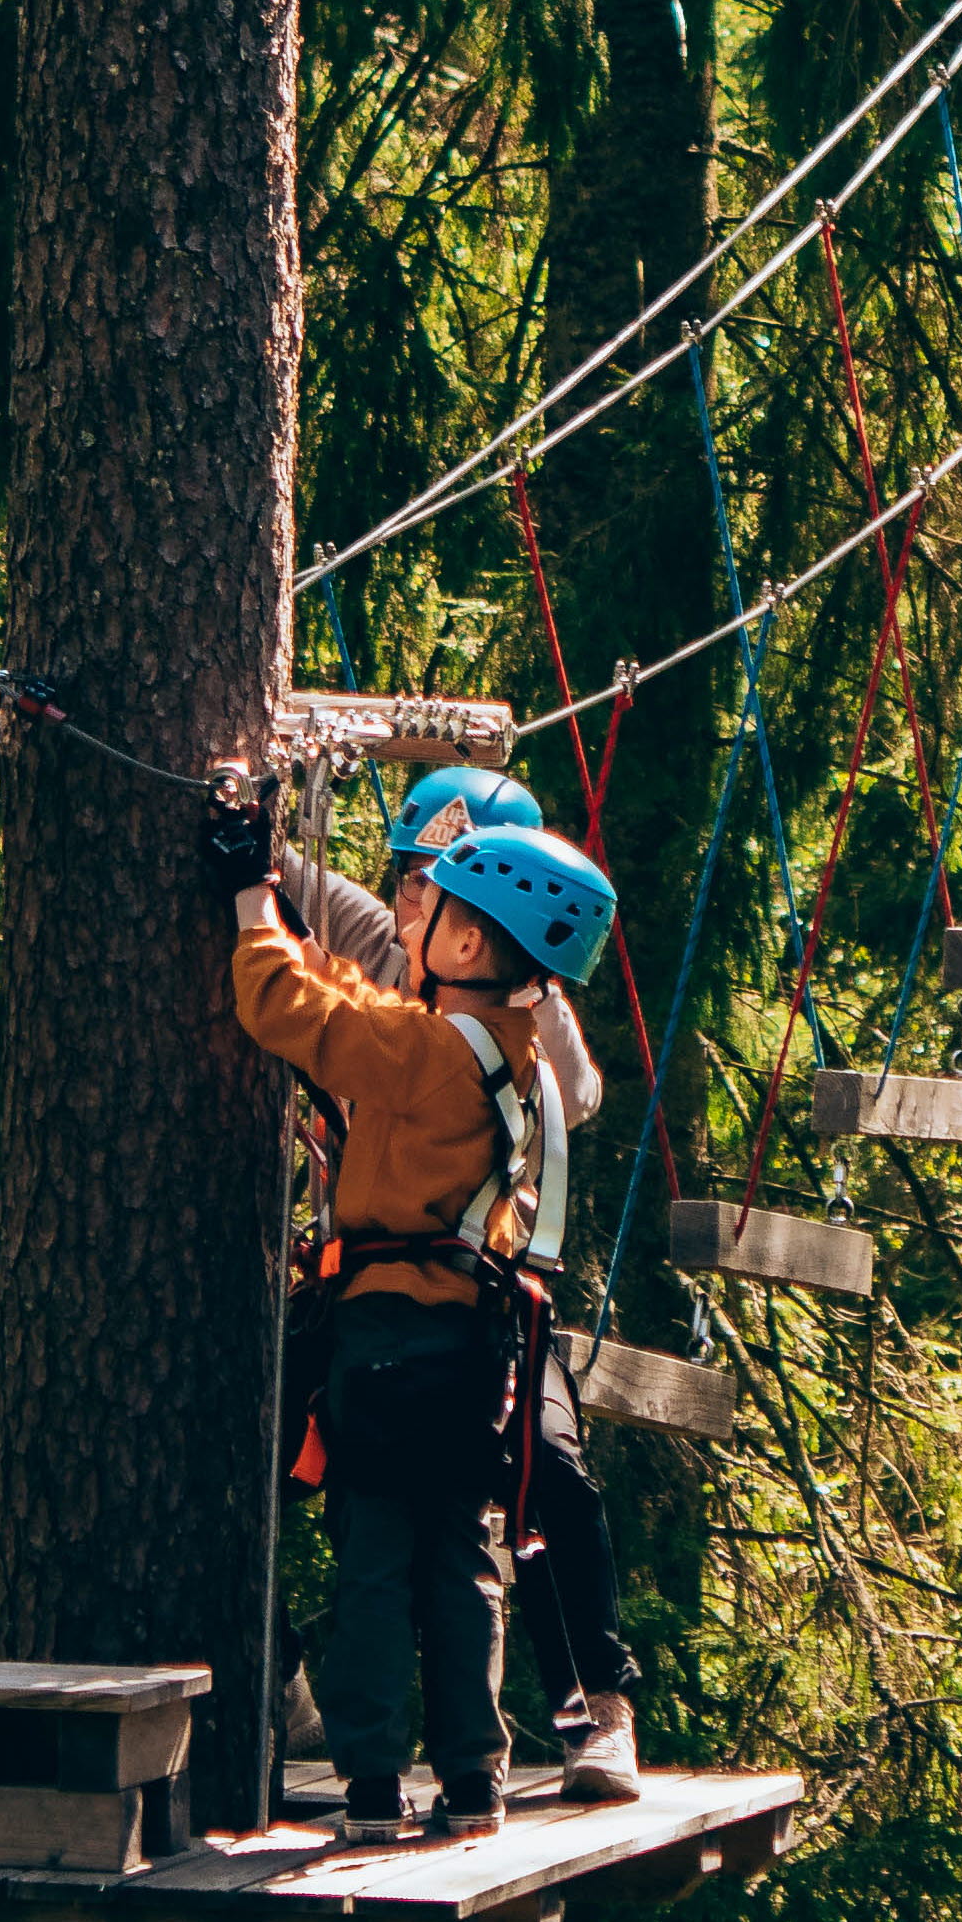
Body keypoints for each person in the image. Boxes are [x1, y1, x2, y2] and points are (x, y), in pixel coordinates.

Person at [209, 784, 619, 1846]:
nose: (410, 920)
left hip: (389, 1338)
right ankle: (474, 1781)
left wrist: (254, 902)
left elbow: (290, 1013)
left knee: (377, 1556)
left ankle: (371, 1782)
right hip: (477, 1348)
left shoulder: (430, 1055)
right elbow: (360, 999)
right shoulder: (504, 1052)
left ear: (471, 937)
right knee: (459, 1559)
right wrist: (290, 906)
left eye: (429, 909)